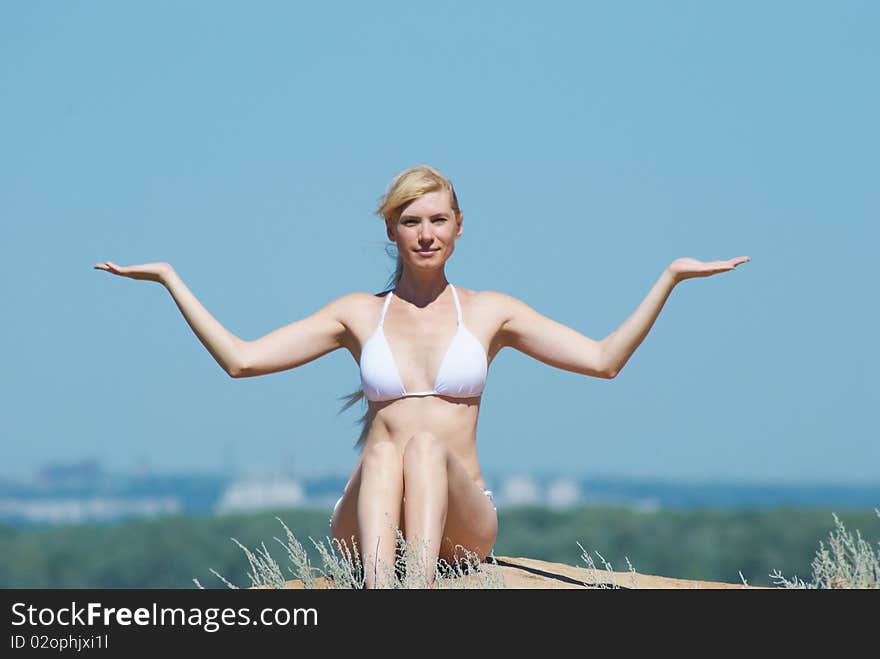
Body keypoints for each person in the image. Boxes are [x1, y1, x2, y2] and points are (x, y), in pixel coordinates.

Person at [94, 164, 750, 588]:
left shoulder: (493, 311)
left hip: (463, 523)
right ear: (393, 230)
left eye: (438, 219)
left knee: (424, 442)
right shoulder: (357, 313)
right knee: (387, 443)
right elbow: (242, 359)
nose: (426, 233)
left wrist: (669, 279)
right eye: (412, 221)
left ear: (459, 229)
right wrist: (169, 280)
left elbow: (604, 359)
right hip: (368, 521)